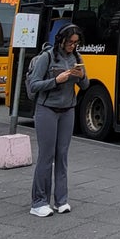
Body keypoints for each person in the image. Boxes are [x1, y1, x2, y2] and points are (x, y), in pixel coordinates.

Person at [26, 24, 88, 217]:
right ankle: (39, 202)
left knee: (62, 155)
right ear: (61, 39)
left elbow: (85, 85)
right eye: (70, 42)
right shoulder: (47, 57)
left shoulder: (76, 58)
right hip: (47, 109)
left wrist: (81, 76)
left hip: (68, 109)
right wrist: (56, 81)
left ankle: (61, 200)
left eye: (76, 43)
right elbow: (34, 85)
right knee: (46, 155)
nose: (72, 46)